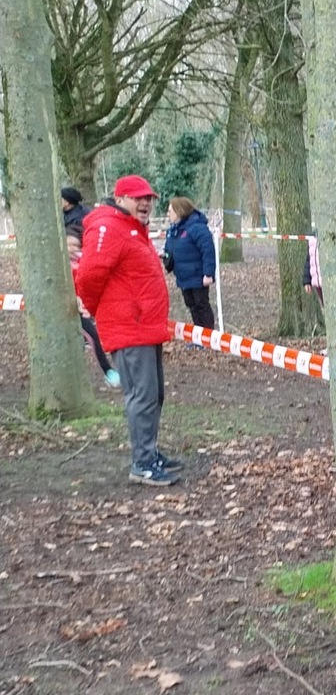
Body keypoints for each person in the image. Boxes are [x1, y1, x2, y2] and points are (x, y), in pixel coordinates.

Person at [76, 175, 182, 486]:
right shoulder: (109, 228)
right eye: (138, 198)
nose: (145, 203)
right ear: (120, 198)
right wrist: (96, 309)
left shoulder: (132, 228)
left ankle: (149, 452)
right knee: (142, 396)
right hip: (129, 328)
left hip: (146, 326)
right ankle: (142, 464)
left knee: (155, 395)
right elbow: (88, 276)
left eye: (148, 198)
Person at [66, 225, 118, 389]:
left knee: (88, 339)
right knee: (91, 337)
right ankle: (108, 371)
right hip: (69, 310)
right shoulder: (60, 268)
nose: (73, 248)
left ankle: (84, 377)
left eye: (76, 245)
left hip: (83, 308)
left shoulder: (81, 261)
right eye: (69, 245)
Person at [163, 196, 217, 330]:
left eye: (170, 211)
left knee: (201, 305)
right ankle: (199, 334)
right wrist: (167, 261)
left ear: (179, 211)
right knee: (192, 306)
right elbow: (170, 250)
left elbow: (208, 251)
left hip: (197, 276)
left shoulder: (197, 228)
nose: (168, 214)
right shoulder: (173, 231)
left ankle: (209, 334)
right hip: (183, 277)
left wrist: (208, 274)